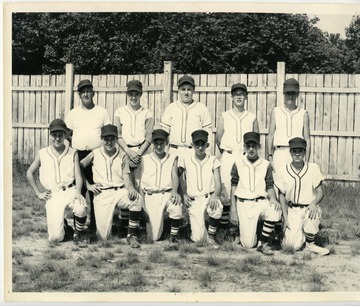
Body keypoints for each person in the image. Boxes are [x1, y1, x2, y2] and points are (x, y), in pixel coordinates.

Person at [79, 124, 142, 247]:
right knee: (103, 237)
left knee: (137, 199)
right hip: (102, 193)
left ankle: (132, 235)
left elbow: (126, 176)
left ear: (116, 139)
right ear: (102, 139)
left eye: (112, 139)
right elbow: (79, 166)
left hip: (119, 190)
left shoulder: (123, 154)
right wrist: (88, 185)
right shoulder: (95, 153)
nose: (109, 142)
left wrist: (131, 188)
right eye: (106, 139)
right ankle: (111, 227)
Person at [26, 119, 87, 244]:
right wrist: (38, 193)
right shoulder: (43, 153)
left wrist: (78, 192)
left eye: (60, 135)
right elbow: (29, 173)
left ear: (65, 135)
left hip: (70, 190)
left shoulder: (72, 152)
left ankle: (78, 234)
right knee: (55, 238)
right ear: (50, 135)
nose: (57, 138)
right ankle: (64, 226)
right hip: (53, 194)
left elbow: (78, 176)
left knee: (80, 207)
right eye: (54, 135)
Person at [267, 78, 311, 245]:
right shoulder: (276, 111)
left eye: (293, 93)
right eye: (288, 93)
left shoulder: (303, 113)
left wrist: (307, 159)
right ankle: (277, 229)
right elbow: (270, 134)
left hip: (297, 154)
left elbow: (307, 137)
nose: (290, 96)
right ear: (283, 94)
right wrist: (270, 156)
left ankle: (295, 226)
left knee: (294, 189)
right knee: (279, 189)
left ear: (298, 94)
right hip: (279, 152)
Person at [65, 79, 111, 234]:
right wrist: (77, 146)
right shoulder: (73, 114)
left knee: (96, 190)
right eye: (83, 92)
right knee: (79, 189)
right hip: (78, 154)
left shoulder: (101, 112)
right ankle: (78, 227)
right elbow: (68, 134)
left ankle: (94, 227)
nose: (86, 94)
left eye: (88, 91)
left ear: (93, 93)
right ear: (79, 95)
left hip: (97, 155)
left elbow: (107, 133)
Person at [230, 132, 281, 256]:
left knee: (275, 211)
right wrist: (233, 209)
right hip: (244, 203)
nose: (251, 149)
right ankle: (246, 234)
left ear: (259, 147)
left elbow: (269, 185)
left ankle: (262, 243)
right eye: (248, 146)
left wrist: (273, 198)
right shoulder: (238, 163)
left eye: (254, 146)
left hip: (261, 201)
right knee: (248, 245)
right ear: (244, 147)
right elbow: (233, 186)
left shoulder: (266, 164)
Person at [216, 83, 259, 230]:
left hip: (245, 156)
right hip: (229, 155)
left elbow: (256, 138)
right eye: (236, 94)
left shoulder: (252, 117)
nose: (239, 96)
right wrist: (227, 153)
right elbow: (218, 138)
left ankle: (239, 228)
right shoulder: (225, 116)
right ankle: (223, 228)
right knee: (226, 192)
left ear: (246, 97)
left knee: (242, 190)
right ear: (232, 97)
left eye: (242, 94)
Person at [276, 137, 329, 255]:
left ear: (305, 152)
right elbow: (281, 195)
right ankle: (298, 234)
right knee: (291, 246)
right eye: (294, 151)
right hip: (292, 209)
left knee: (312, 214)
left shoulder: (313, 168)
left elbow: (320, 192)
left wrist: (314, 203)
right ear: (290, 152)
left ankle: (311, 244)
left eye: (300, 151)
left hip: (308, 207)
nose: (297, 154)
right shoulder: (283, 169)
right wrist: (285, 216)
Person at [113, 80, 154, 231]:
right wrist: (129, 152)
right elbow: (117, 134)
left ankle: (141, 222)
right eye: (131, 94)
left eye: (136, 94)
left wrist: (138, 153)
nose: (133, 97)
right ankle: (125, 223)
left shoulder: (147, 112)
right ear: (127, 94)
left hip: (142, 151)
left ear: (141, 94)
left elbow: (150, 137)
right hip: (125, 150)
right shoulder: (120, 111)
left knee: (141, 184)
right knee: (126, 185)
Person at [178, 130, 223, 249]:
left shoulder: (213, 160)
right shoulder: (186, 160)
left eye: (202, 144)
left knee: (217, 207)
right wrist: (184, 194)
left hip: (209, 197)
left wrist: (214, 196)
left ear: (207, 145)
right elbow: (176, 175)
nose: (200, 147)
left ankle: (211, 237)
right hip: (194, 199)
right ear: (192, 145)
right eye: (197, 144)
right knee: (198, 239)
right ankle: (188, 231)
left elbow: (218, 184)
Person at [139, 129, 183, 249]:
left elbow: (175, 176)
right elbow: (141, 184)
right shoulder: (145, 158)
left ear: (166, 143)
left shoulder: (172, 157)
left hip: (166, 193)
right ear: (152, 144)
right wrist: (142, 204)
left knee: (176, 205)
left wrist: (175, 191)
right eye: (156, 143)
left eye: (161, 143)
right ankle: (162, 229)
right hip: (151, 195)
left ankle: (173, 236)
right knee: (153, 238)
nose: (159, 146)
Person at [160, 75, 213, 163]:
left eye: (189, 89)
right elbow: (164, 133)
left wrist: (206, 155)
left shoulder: (201, 108)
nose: (186, 92)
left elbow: (208, 135)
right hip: (174, 151)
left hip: (194, 152)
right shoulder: (171, 108)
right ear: (178, 90)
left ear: (193, 90)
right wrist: (164, 154)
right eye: (183, 89)